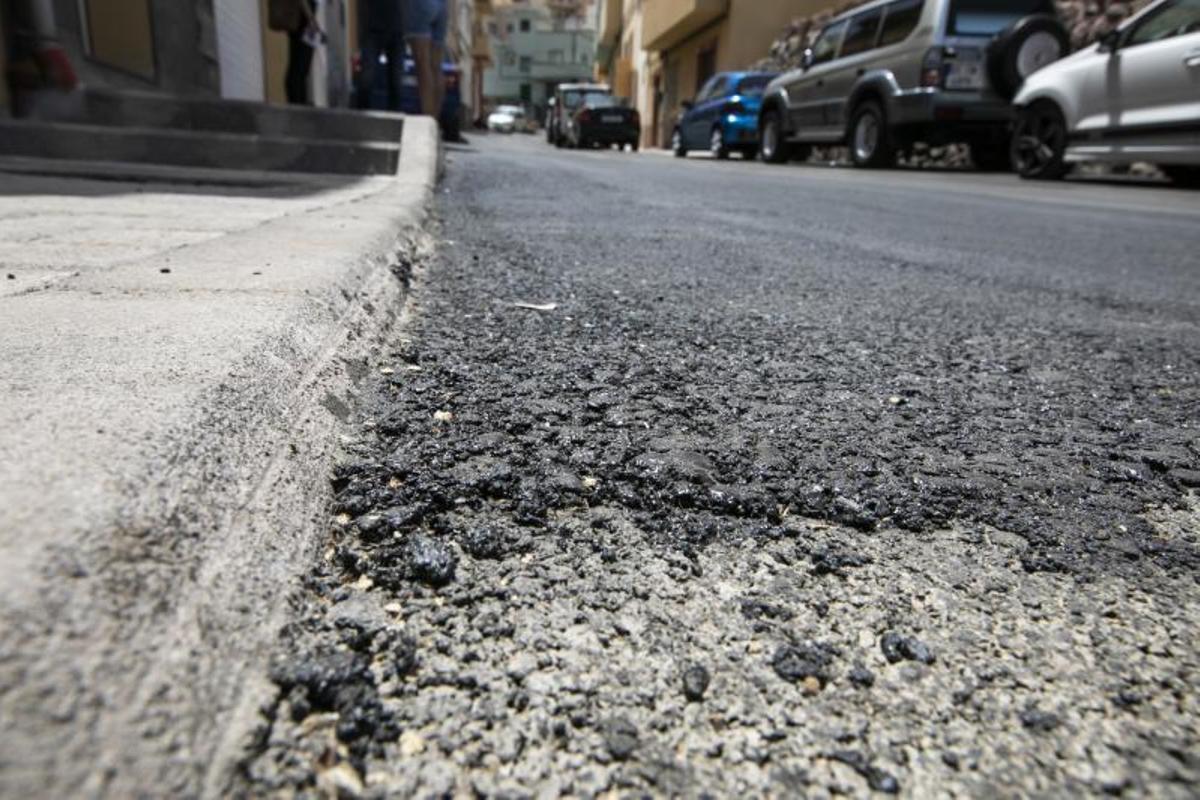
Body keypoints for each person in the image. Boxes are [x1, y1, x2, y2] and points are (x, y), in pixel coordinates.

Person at [268, 0, 321, 105]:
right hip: (303, 15)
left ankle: (300, 105)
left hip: (304, 15)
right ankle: (297, 107)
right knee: (299, 66)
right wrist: (310, 17)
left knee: (302, 68)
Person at [357, 0, 404, 111]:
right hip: (373, 29)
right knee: (367, 78)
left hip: (396, 30)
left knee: (396, 81)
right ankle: (362, 113)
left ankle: (394, 115)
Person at [403, 0, 446, 121]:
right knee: (436, 67)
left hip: (420, 4)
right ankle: (434, 121)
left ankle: (427, 120)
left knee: (423, 64)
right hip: (442, 5)